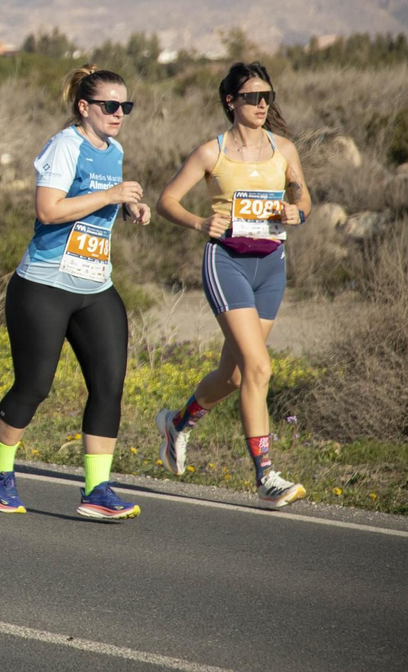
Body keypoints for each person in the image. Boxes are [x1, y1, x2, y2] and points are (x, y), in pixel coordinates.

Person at [0, 65, 151, 521]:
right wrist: (112, 194)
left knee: (109, 385)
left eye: (124, 106)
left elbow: (100, 201)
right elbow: (49, 209)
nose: (118, 114)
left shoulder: (114, 150)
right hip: (45, 285)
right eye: (110, 106)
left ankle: (98, 488)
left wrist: (130, 205)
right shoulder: (64, 145)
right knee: (35, 386)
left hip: (95, 285)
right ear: (84, 107)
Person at [155, 62, 312, 511]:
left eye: (268, 96)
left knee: (237, 374)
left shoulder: (284, 150)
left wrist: (294, 213)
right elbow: (167, 201)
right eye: (252, 97)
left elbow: (303, 199)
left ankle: (178, 424)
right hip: (227, 264)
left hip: (271, 266)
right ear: (231, 102)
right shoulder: (212, 153)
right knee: (260, 368)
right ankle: (266, 477)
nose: (263, 104)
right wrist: (201, 221)